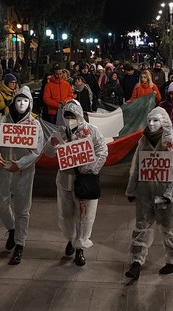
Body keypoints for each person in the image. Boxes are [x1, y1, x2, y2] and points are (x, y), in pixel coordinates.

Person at [124, 107, 173, 280]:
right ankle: (136, 261)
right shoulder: (143, 142)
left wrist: (170, 194)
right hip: (145, 193)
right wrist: (131, 189)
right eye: (150, 120)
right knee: (141, 227)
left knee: (170, 229)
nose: (151, 124)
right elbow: (136, 167)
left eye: (156, 121)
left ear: (164, 122)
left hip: (167, 195)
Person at [43, 100, 108, 266]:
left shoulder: (91, 131)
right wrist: (53, 143)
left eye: (73, 116)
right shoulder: (60, 132)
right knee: (65, 214)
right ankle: (71, 239)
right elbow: (48, 152)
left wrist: (91, 169)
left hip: (84, 181)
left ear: (79, 115)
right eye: (67, 116)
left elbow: (102, 150)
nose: (70, 119)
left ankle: (80, 247)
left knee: (84, 216)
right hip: (65, 180)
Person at [0, 86, 44, 265]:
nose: (21, 104)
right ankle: (12, 228)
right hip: (3, 168)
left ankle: (20, 243)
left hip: (23, 172)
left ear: (30, 104)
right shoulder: (2, 122)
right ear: (13, 102)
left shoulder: (34, 125)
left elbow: (36, 150)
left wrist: (20, 164)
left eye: (25, 101)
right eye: (18, 100)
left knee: (23, 208)